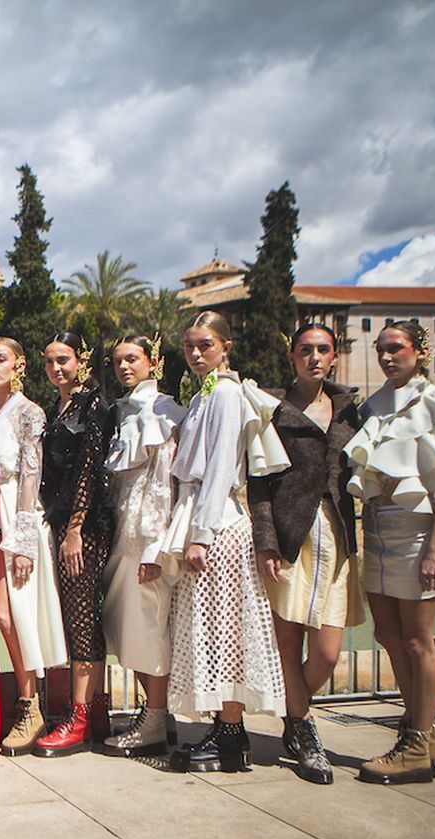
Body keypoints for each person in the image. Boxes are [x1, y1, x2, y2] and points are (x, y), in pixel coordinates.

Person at [157, 311, 288, 772]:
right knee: (206, 629)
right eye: (190, 345)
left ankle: (232, 733)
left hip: (218, 525)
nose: (195, 354)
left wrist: (202, 535)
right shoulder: (203, 394)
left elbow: (218, 471)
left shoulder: (227, 393)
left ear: (226, 345)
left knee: (225, 631)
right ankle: (223, 725)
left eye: (205, 345)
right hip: (199, 517)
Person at [345, 320, 435, 784]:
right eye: (381, 349)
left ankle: (415, 741)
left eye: (396, 348)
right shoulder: (372, 407)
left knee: (418, 641)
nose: (387, 357)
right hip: (377, 532)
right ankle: (422, 734)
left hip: (417, 536)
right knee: (389, 638)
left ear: (420, 350)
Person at [249, 323, 363, 784]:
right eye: (305, 350)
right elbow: (258, 482)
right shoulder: (272, 408)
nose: (314, 357)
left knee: (328, 652)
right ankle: (307, 732)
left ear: (334, 356)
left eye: (323, 350)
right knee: (287, 643)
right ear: (291, 356)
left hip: (335, 536)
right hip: (290, 537)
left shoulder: (351, 409)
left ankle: (294, 713)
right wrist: (266, 542)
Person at [0, 337, 66, 755]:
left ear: (19, 364)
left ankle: (31, 704)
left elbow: (31, 474)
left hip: (14, 513)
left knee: (11, 614)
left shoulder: (31, 413)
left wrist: (24, 538)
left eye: (1, 360)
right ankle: (18, 702)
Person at [100, 335, 184, 758]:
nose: (124, 367)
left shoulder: (163, 410)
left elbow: (163, 484)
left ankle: (153, 721)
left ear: (153, 362)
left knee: (149, 630)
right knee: (128, 629)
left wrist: (154, 547)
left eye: (132, 359)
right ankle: (154, 713)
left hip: (147, 537)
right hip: (123, 531)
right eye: (117, 361)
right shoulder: (122, 410)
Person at [34, 332, 115, 756]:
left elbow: (89, 469)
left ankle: (80, 717)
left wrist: (75, 530)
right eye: (49, 362)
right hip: (62, 521)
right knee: (76, 617)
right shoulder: (57, 407)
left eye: (62, 360)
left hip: (83, 528)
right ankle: (95, 712)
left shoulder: (92, 406)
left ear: (80, 360)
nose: (56, 368)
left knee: (83, 617)